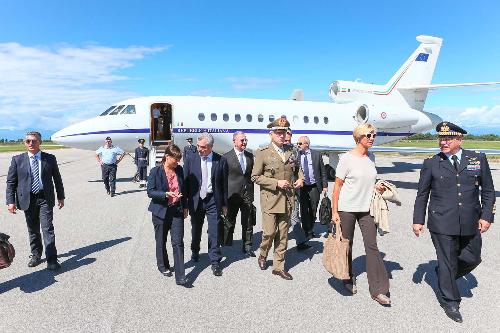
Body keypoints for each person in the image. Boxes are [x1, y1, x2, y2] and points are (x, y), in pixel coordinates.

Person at [413, 121, 495, 323]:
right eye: (441, 138)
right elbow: (422, 194)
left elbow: (488, 191)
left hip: (471, 220)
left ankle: (444, 274)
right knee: (447, 261)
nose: (443, 141)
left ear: (460, 139)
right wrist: (418, 220)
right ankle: (450, 301)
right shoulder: (432, 163)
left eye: (448, 138)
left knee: (472, 258)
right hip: (441, 222)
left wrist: (486, 216)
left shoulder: (477, 159)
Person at [331, 123, 390, 305]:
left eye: (373, 135)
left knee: (372, 246)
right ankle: (347, 278)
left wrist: (376, 187)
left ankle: (378, 290)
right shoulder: (346, 159)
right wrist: (334, 211)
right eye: (368, 135)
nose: (372, 138)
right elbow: (338, 186)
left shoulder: (371, 157)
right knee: (347, 245)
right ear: (358, 138)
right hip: (347, 208)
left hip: (367, 209)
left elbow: (365, 181)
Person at [251, 117, 304, 280]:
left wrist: (301, 178)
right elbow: (255, 177)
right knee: (269, 233)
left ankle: (278, 266)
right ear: (271, 134)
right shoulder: (263, 152)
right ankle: (263, 254)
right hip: (270, 200)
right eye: (279, 133)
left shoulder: (292, 151)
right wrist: (276, 183)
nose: (282, 135)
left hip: (288, 199)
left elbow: (298, 169)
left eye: (284, 132)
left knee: (283, 235)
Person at [6, 131, 65, 270]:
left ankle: (52, 260)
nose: (31, 143)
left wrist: (61, 196)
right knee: (33, 229)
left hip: (45, 197)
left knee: (47, 228)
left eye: (34, 141)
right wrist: (10, 201)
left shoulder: (49, 158)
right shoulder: (17, 159)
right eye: (28, 141)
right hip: (27, 199)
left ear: (40, 142)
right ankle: (36, 255)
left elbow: (57, 179)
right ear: (25, 142)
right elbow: (11, 182)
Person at [183, 132, 228, 276]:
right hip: (196, 200)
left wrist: (224, 204)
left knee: (214, 231)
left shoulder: (220, 160)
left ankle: (215, 261)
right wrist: (184, 205)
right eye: (198, 146)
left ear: (210, 146)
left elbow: (224, 185)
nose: (199, 149)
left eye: (202, 147)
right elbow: (185, 183)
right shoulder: (190, 159)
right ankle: (195, 250)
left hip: (213, 200)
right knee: (196, 229)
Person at [147, 144, 189, 286]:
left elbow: (185, 189)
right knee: (161, 241)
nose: (178, 162)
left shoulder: (180, 170)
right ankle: (163, 266)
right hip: (160, 211)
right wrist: (165, 194)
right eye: (176, 160)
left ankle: (180, 275)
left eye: (179, 160)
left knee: (178, 243)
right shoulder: (155, 172)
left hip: (176, 210)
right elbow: (150, 192)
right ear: (167, 157)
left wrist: (185, 206)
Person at [223, 131, 255, 256]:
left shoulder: (249, 156)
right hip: (232, 195)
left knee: (248, 221)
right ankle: (226, 243)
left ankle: (247, 246)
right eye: (242, 140)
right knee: (229, 221)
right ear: (234, 141)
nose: (244, 142)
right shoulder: (226, 157)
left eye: (245, 140)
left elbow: (251, 174)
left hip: (247, 194)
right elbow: (222, 178)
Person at [297, 135, 328, 240]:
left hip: (314, 186)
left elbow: (323, 171)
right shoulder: (297, 155)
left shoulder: (316, 155)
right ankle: (307, 231)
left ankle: (311, 227)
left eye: (300, 143)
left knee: (313, 209)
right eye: (297, 143)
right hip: (302, 187)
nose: (298, 145)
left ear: (307, 144)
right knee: (304, 210)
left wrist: (325, 186)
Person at [284, 130, 310, 251]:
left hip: (293, 191)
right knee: (280, 220)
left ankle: (300, 242)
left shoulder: (295, 151)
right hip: (279, 191)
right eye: (285, 140)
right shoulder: (273, 152)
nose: (287, 142)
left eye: (289, 140)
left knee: (294, 217)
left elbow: (299, 168)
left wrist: (301, 178)